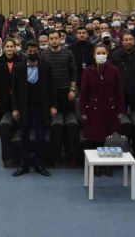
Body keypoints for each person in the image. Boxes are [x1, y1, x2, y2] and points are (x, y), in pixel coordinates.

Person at [11, 40, 55, 177]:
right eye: (29, 51)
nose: (32, 53)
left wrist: (53, 106)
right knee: (24, 137)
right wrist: (15, 109)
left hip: (41, 108)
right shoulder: (18, 68)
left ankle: (39, 165)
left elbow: (51, 88)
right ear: (25, 52)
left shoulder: (46, 66)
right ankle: (23, 166)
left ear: (38, 51)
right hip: (24, 109)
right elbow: (15, 91)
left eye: (34, 51)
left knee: (40, 138)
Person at [80, 44, 125, 176]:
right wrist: (83, 111)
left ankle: (108, 165)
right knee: (95, 137)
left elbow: (119, 91)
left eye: (103, 53)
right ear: (94, 55)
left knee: (109, 137)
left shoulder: (114, 70)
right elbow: (83, 93)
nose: (100, 55)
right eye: (98, 53)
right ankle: (96, 166)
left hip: (111, 108)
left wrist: (120, 110)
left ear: (107, 54)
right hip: (93, 109)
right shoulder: (88, 71)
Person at [41, 30, 79, 167]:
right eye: (51, 38)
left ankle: (71, 156)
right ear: (49, 40)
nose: (54, 40)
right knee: (55, 126)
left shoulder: (68, 53)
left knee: (71, 125)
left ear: (60, 39)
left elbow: (74, 72)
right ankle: (55, 158)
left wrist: (73, 89)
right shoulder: (43, 54)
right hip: (51, 95)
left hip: (66, 93)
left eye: (56, 38)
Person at [0, 38, 21, 167]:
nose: (9, 48)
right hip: (3, 97)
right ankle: (7, 154)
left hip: (18, 97)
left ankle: (18, 153)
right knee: (5, 124)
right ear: (4, 48)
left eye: (11, 46)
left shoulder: (21, 60)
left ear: (15, 48)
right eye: (7, 46)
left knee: (18, 124)